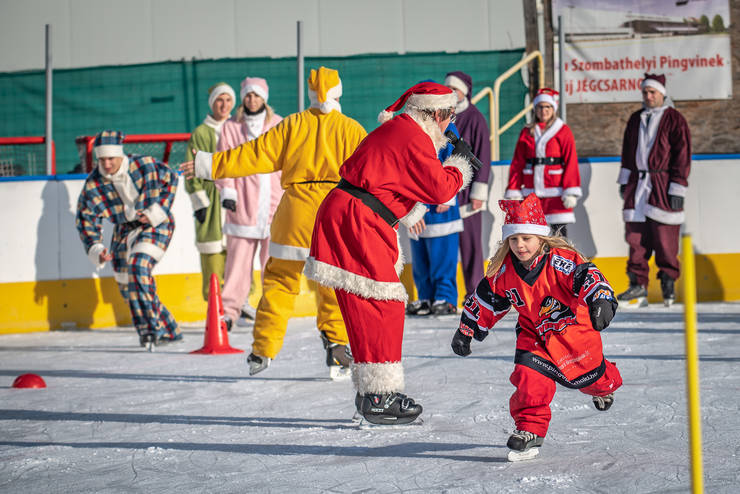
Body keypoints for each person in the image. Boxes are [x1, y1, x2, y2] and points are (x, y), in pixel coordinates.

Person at [305, 82, 476, 425]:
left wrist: (408, 213)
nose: (450, 124)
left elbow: (391, 178)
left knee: (368, 303)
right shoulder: (412, 136)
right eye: (450, 116)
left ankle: (371, 392)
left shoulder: (402, 130)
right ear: (436, 114)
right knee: (383, 305)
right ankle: (379, 395)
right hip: (357, 219)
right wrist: (459, 165)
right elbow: (440, 189)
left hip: (356, 214)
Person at [180, 67, 367, 378]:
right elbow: (373, 173)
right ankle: (336, 345)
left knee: (280, 282)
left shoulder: (292, 125)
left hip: (294, 213)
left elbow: (251, 155)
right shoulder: (352, 129)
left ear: (310, 93)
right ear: (339, 93)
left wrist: (207, 163)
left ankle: (262, 350)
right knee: (334, 282)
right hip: (334, 214)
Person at [450, 194, 622, 460]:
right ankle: (529, 430)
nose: (520, 245)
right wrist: (466, 330)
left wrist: (601, 300)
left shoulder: (561, 261)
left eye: (526, 238)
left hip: (573, 333)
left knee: (593, 378)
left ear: (541, 238)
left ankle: (605, 387)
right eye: (514, 239)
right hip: (534, 334)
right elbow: (485, 300)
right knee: (528, 378)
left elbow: (590, 276)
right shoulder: (503, 272)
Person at [76, 130, 181, 348]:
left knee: (138, 267)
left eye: (110, 159)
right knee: (128, 286)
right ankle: (169, 328)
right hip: (123, 232)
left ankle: (152, 330)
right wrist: (96, 248)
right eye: (102, 160)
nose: (106, 164)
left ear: (119, 155)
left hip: (156, 225)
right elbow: (86, 218)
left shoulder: (144, 165)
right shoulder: (93, 184)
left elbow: (170, 178)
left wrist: (156, 211)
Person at [616, 73, 691, 308]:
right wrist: (625, 179)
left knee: (665, 239)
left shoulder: (674, 119)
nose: (648, 96)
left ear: (662, 94)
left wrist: (678, 187)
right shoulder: (635, 119)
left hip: (663, 184)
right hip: (638, 185)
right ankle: (638, 286)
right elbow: (627, 151)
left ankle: (668, 283)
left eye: (652, 92)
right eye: (645, 92)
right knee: (636, 238)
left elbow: (682, 154)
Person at [217, 77, 283, 329]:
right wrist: (228, 192)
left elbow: (288, 160)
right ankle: (229, 312)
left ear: (264, 98)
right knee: (237, 266)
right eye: (248, 95)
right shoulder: (231, 127)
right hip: (243, 206)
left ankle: (271, 312)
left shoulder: (278, 124)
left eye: (256, 95)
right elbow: (223, 162)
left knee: (272, 266)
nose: (252, 100)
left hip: (274, 206)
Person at [504, 88, 581, 237]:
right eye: (540, 107)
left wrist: (570, 191)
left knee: (559, 235)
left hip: (556, 191)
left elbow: (571, 161)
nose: (543, 111)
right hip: (531, 191)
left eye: (547, 107)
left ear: (553, 108)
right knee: (534, 234)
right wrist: (514, 189)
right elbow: (518, 163)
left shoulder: (563, 130)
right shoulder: (527, 132)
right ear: (535, 109)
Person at [405, 120, 463, 316]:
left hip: (441, 203)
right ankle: (426, 297)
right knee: (420, 258)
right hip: (418, 202)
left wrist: (448, 195)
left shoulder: (448, 128)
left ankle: (445, 298)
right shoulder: (412, 129)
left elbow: (456, 161)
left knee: (442, 255)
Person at [184, 82, 235, 301]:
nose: (224, 105)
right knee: (212, 252)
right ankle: (214, 302)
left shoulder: (238, 128)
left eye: (228, 100)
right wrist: (200, 202)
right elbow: (191, 169)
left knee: (238, 253)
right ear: (212, 103)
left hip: (235, 199)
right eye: (219, 100)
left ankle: (239, 302)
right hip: (212, 200)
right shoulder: (201, 133)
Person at [444, 71, 491, 298]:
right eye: (449, 89)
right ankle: (445, 295)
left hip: (467, 193)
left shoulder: (475, 118)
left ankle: (475, 292)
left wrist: (478, 192)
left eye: (455, 89)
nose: (452, 93)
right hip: (446, 192)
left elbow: (484, 156)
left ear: (464, 92)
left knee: (471, 246)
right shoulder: (443, 115)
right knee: (446, 249)